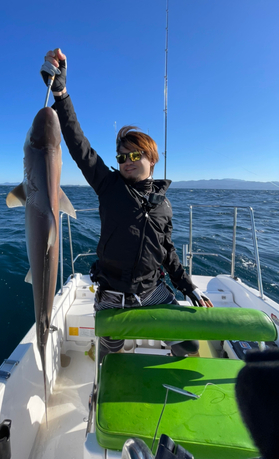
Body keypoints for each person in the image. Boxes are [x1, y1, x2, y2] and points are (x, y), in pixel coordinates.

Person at [41, 48, 213, 358]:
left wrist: (187, 285)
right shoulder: (109, 186)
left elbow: (168, 251)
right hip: (112, 295)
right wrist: (62, 94)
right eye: (122, 157)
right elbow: (81, 147)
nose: (127, 161)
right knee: (110, 354)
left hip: (152, 291)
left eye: (135, 155)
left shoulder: (163, 205)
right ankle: (107, 375)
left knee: (188, 345)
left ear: (152, 158)